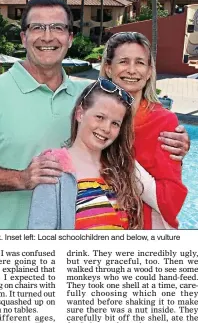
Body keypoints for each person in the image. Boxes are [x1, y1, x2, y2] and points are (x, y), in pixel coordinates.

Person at [0, 0, 190, 229]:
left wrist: (178, 139)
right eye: (37, 27)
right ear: (24, 37)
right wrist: (21, 178)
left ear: (70, 38)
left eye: (57, 27)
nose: (48, 36)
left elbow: (128, 131)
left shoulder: (88, 96)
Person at [100, 32, 187, 228]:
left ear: (149, 72)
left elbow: (170, 200)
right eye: (123, 61)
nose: (132, 70)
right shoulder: (90, 117)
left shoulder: (163, 122)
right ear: (108, 68)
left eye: (140, 63)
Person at [28, 79, 142, 229]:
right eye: (100, 117)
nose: (106, 128)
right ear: (80, 113)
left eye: (115, 123)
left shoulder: (118, 170)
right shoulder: (53, 168)